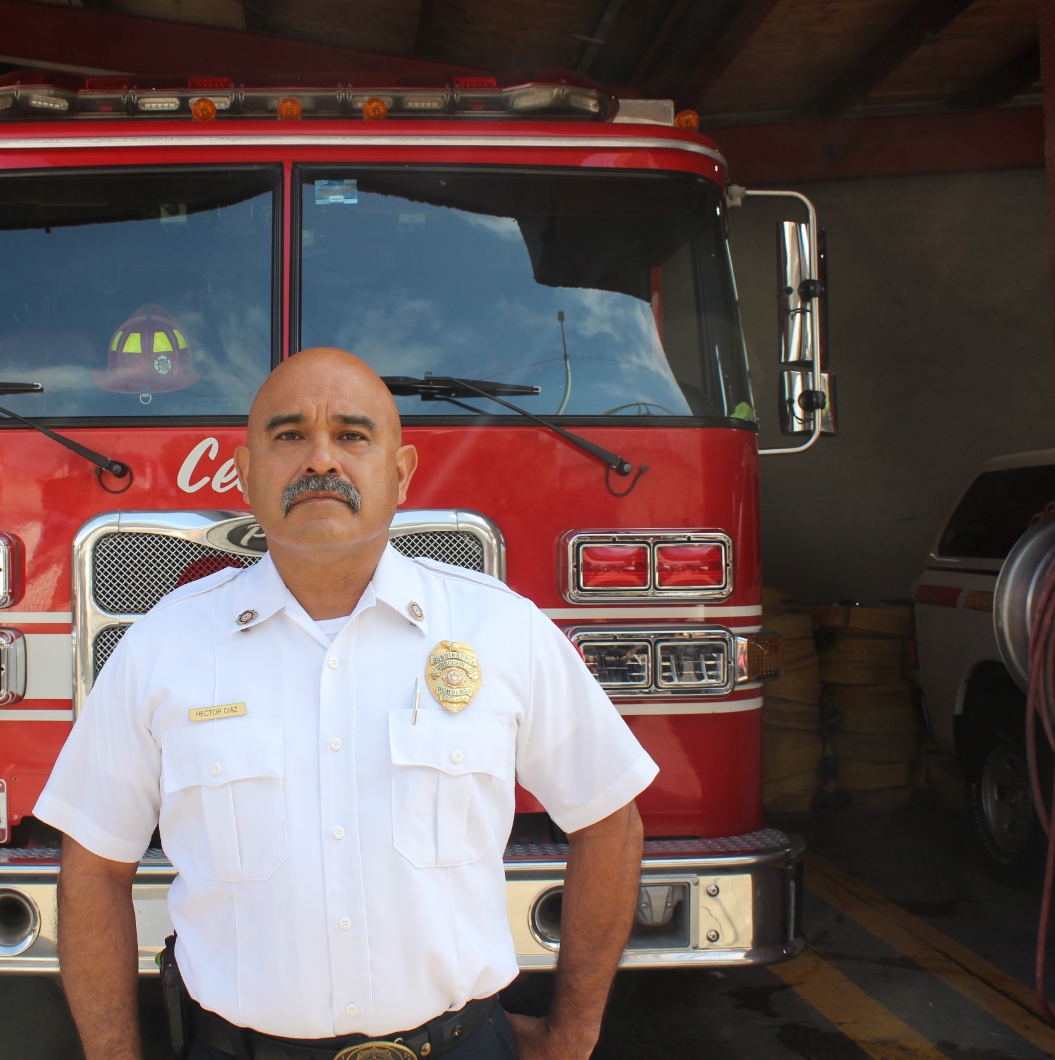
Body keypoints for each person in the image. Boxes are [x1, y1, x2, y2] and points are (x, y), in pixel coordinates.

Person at [36, 347, 658, 1060]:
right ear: (245, 474)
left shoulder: (502, 630)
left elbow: (611, 822)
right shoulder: (164, 646)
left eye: (353, 435)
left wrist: (572, 1036)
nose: (321, 460)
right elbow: (93, 867)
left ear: (400, 474)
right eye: (289, 435)